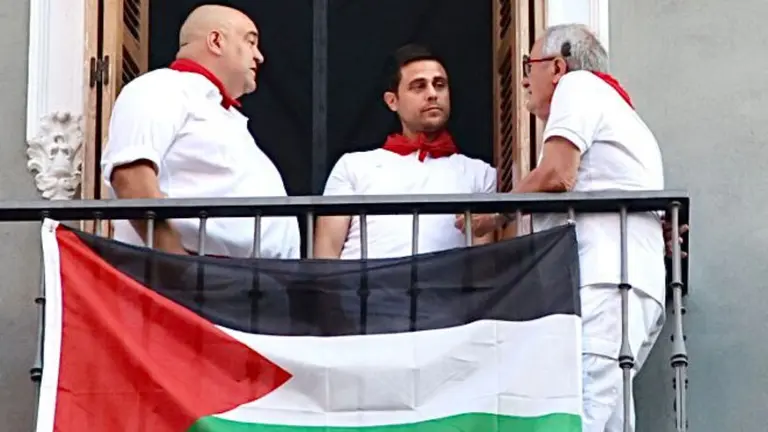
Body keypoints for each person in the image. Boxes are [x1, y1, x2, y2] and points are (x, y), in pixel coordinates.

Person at [457, 24, 668, 431]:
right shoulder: (622, 113)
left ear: (557, 66)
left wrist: (494, 213)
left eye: (528, 65)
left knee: (582, 411)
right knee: (610, 418)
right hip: (629, 284)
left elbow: (558, 174)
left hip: (606, 281)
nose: (522, 79)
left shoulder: (579, 87)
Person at [100, 4, 300, 259]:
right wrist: (178, 266)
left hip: (248, 284)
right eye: (250, 42)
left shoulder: (222, 114)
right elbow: (131, 177)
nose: (259, 56)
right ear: (216, 41)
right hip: (197, 279)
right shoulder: (162, 88)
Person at [313, 44, 497, 259]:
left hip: (443, 292)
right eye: (418, 86)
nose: (432, 94)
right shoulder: (353, 166)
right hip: (362, 292)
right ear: (392, 101)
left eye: (440, 85)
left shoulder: (480, 173)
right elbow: (325, 256)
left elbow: (483, 265)